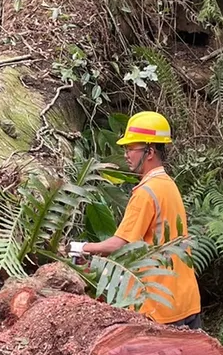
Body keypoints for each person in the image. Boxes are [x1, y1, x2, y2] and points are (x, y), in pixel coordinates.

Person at [70, 110, 202, 328]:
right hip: (185, 299)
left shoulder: (146, 192)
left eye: (130, 148)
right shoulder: (168, 184)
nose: (125, 154)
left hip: (157, 305)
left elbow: (120, 244)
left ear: (149, 152)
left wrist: (81, 248)